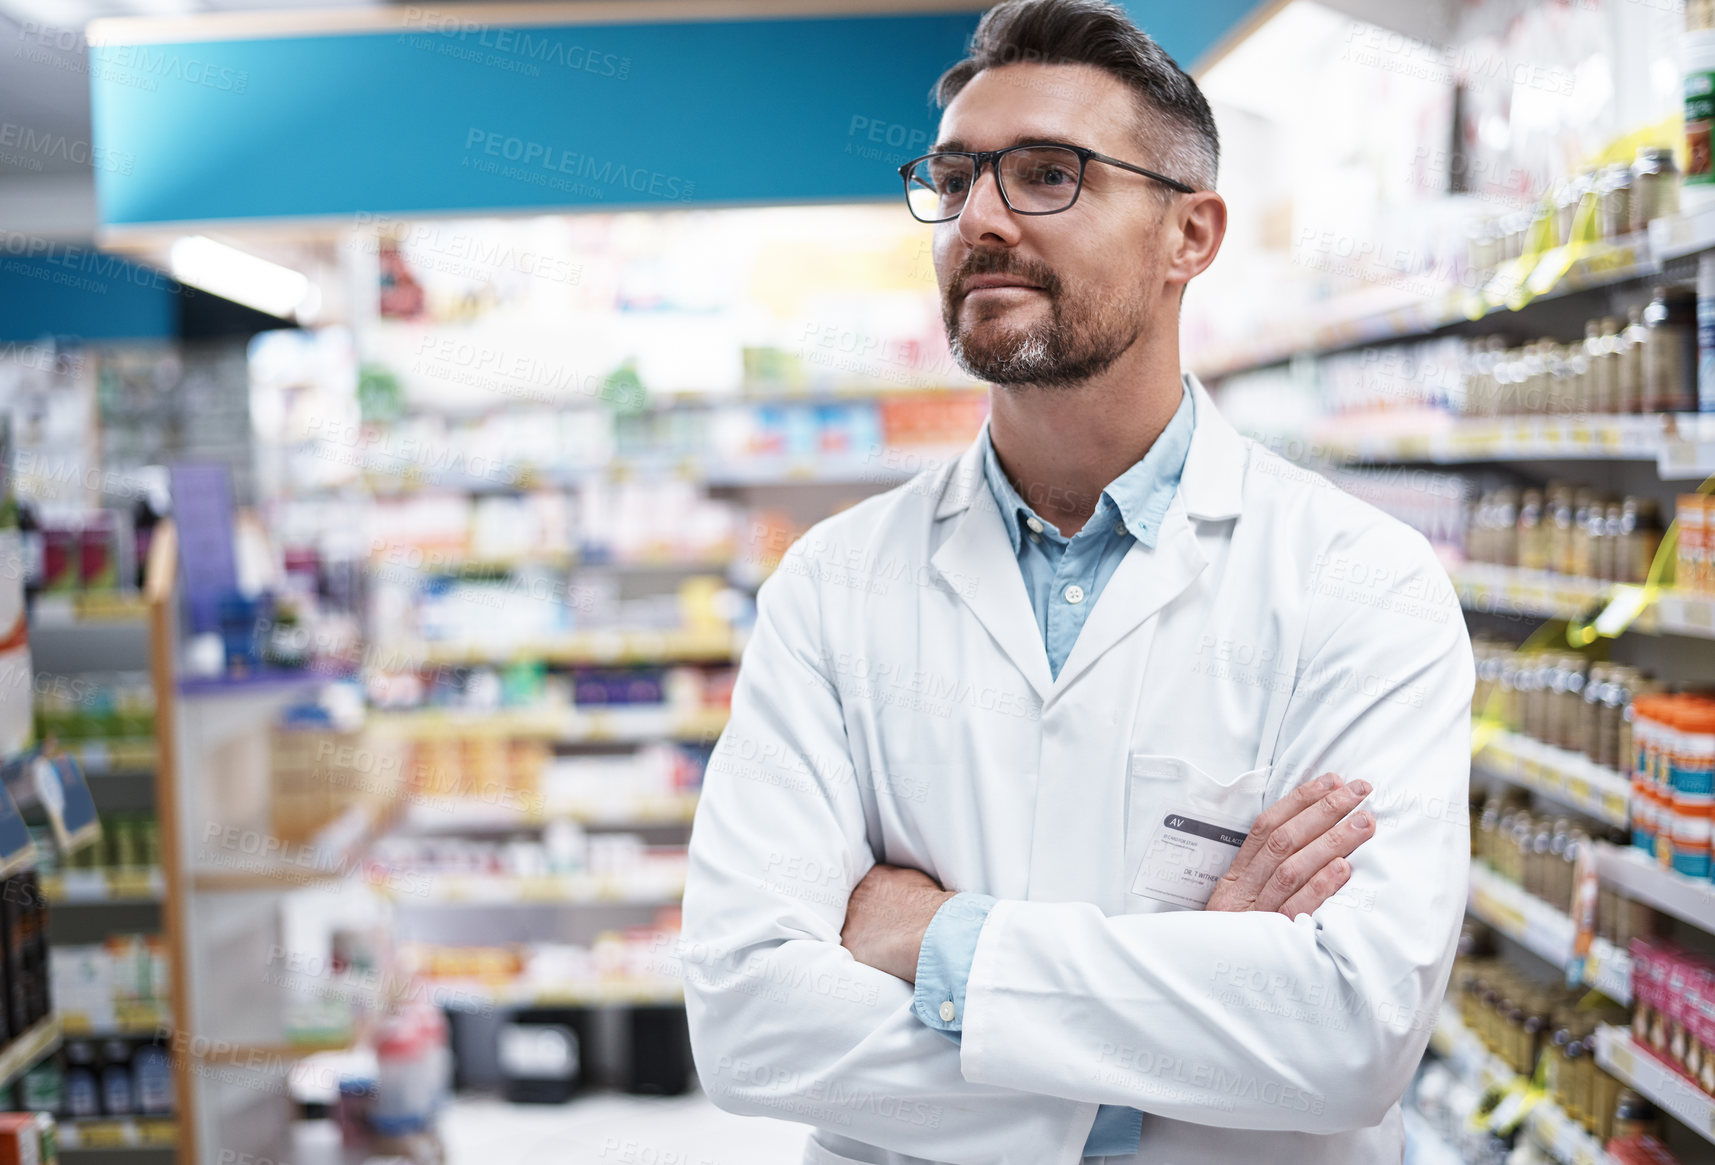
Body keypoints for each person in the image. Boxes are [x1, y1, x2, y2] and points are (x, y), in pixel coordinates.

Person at [680, 2, 1472, 1162]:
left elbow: (1346, 1033)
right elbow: (750, 1024)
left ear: (1187, 236)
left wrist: (936, 939)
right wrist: (1156, 1071)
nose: (981, 220)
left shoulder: (1361, 582)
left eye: (1048, 174)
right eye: (953, 179)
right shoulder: (830, 587)